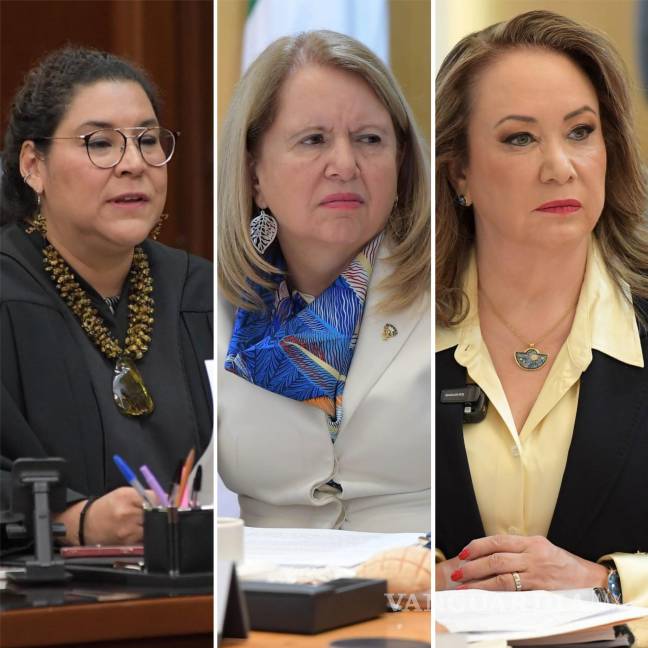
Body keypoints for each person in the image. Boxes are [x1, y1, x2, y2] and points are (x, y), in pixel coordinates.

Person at [435, 10, 648, 605]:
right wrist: (419, 582)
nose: (560, 167)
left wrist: (607, 583)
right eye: (520, 138)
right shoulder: (397, 330)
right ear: (460, 173)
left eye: (581, 132)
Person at [218, 30, 430, 532]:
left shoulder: (452, 285)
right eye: (313, 140)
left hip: (420, 567)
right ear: (254, 174)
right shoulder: (206, 302)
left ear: (400, 161)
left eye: (369, 139)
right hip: (266, 575)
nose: (344, 165)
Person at [0, 47, 213, 547]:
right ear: (33, 165)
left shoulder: (202, 292)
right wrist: (74, 521)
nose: (134, 164)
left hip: (195, 582)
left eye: (147, 140)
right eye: (99, 143)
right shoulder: (8, 294)